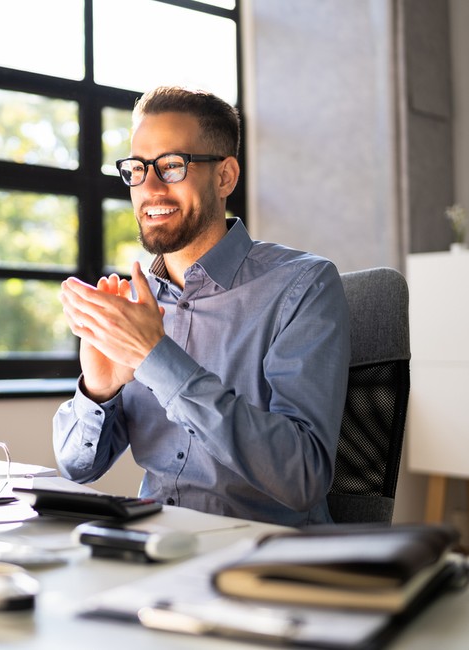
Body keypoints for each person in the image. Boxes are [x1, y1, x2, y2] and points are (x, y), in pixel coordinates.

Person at [53, 86, 350, 527]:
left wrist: (157, 359)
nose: (149, 188)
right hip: (157, 546)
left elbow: (302, 475)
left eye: (171, 166)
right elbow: (78, 468)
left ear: (225, 177)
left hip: (264, 558)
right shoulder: (136, 305)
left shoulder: (302, 286)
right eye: (137, 169)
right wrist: (99, 390)